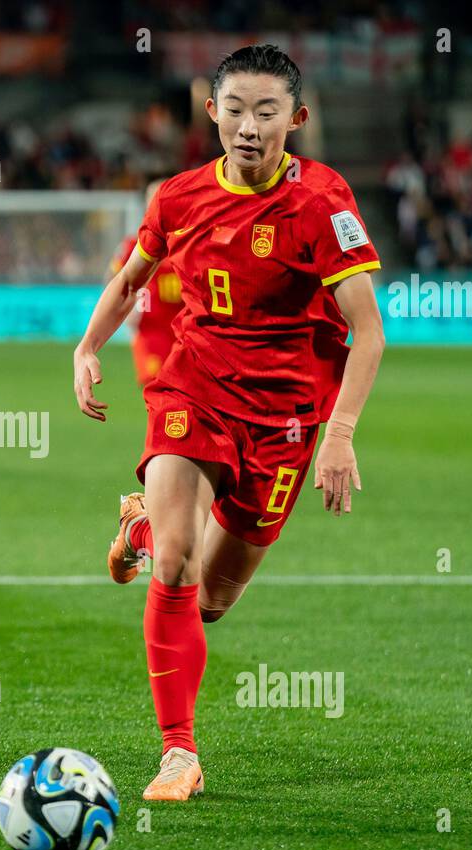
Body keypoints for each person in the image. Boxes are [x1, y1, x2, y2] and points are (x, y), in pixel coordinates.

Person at [72, 44, 385, 801]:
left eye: (266, 111)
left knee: (210, 600)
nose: (249, 126)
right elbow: (129, 281)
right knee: (177, 568)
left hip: (287, 418)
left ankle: (138, 529)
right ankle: (179, 753)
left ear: (297, 119)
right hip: (194, 390)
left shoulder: (323, 202)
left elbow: (367, 331)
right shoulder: (178, 197)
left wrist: (337, 433)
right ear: (212, 112)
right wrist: (86, 348)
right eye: (235, 110)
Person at [108, 179, 184, 386]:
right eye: (153, 198)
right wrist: (124, 306)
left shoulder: (188, 242)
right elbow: (114, 278)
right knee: (160, 386)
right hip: (152, 331)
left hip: (187, 330)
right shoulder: (135, 245)